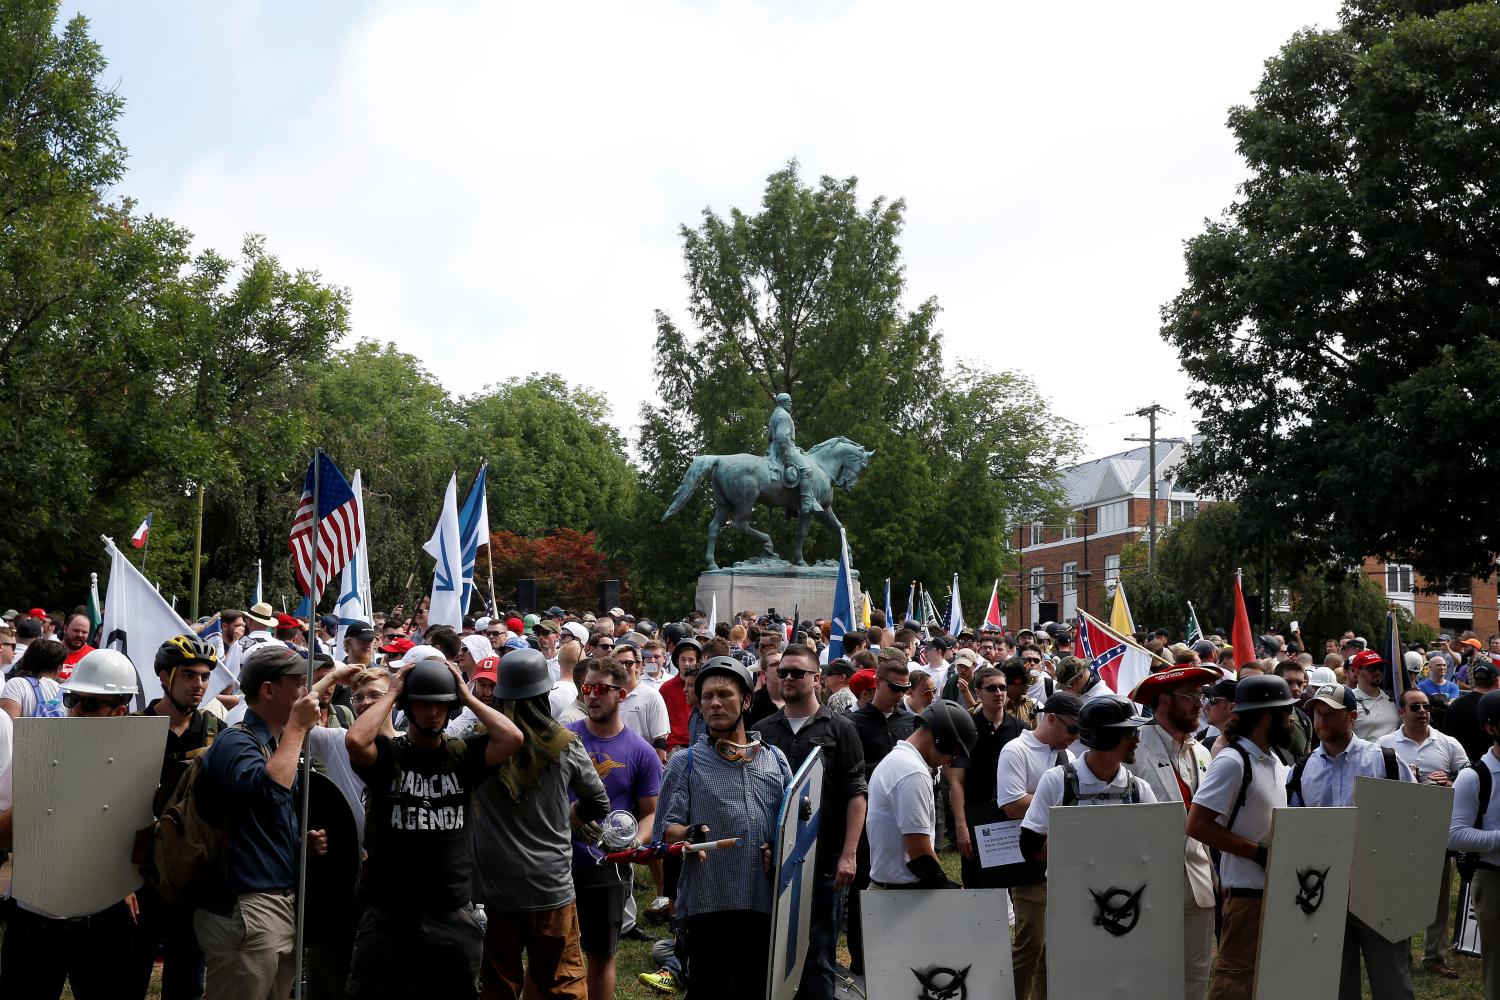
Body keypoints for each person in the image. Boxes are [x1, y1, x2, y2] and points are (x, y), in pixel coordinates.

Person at [344, 657, 523, 999]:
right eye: (423, 704)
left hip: (451, 909)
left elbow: (512, 737)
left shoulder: (464, 755)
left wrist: (467, 696)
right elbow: (355, 740)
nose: (433, 713)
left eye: (441, 705)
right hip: (389, 911)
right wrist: (392, 693)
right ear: (408, 708)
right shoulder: (387, 755)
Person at [0, 649, 140, 999]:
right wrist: (39, 797)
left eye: (90, 704)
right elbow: (1, 834)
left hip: (102, 918)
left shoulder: (136, 762)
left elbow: (133, 833)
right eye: (72, 698)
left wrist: (122, 882)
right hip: (36, 916)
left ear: (119, 711)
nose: (75, 709)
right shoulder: (35, 749)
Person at [471, 647, 610, 1000]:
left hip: (497, 891)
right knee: (564, 984)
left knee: (499, 985)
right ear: (543, 696)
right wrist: (567, 821)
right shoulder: (565, 745)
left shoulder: (478, 746)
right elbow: (597, 801)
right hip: (552, 888)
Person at [194, 643, 327, 1000]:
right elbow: (267, 794)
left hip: (273, 903)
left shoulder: (272, 744)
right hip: (246, 908)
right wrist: (297, 729)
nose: (307, 691)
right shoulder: (236, 741)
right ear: (268, 690)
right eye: (299, 683)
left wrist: (302, 845)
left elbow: (264, 818)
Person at [658, 656, 791, 1000]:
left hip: (762, 901)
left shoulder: (775, 760)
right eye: (707, 696)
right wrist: (686, 834)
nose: (715, 703)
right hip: (709, 902)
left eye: (725, 694)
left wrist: (779, 851)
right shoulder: (684, 763)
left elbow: (793, 829)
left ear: (746, 700)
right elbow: (665, 830)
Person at [751, 643, 867, 1000]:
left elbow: (856, 793)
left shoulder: (841, 728)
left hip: (826, 858)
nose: (787, 678)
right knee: (771, 954)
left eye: (797, 673)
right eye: (782, 671)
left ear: (816, 679)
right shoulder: (761, 731)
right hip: (772, 860)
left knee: (818, 955)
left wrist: (850, 854)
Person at [1287, 683, 1415, 999]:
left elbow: (1412, 818)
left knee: (1392, 981)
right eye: (1318, 714)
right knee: (1336, 982)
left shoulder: (1384, 761)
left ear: (1352, 717)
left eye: (1331, 714)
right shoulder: (1302, 771)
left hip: (1378, 886)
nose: (1322, 722)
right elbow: (1295, 830)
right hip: (1325, 889)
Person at [1187, 675, 1297, 1000]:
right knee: (1235, 986)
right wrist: (1258, 853)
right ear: (1267, 716)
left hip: (1274, 891)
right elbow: (1197, 824)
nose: (1291, 720)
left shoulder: (1275, 760)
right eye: (1287, 713)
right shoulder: (1233, 762)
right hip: (1246, 896)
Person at [130, 635, 223, 1000]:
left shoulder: (217, 730)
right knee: (130, 971)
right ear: (164, 676)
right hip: (140, 871)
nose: (198, 685)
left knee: (187, 979)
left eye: (204, 676)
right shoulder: (134, 726)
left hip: (192, 870)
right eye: (188, 675)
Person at [566, 658, 661, 1000]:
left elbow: (652, 814)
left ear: (621, 695)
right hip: (558, 862)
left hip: (607, 868)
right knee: (552, 953)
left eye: (601, 689)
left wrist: (633, 842)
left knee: (601, 957)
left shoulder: (642, 752)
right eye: (587, 688)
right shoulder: (564, 739)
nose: (592, 696)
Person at [1126, 665, 1220, 1000]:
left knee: (1196, 976)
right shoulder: (1133, 749)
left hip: (1199, 882)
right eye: (1192, 696)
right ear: (1163, 700)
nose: (1200, 704)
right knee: (1149, 975)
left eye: (1202, 695)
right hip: (1148, 884)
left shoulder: (1202, 752)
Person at [996, 691, 1082, 1000]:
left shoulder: (1068, 757)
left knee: (1056, 944)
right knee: (1030, 942)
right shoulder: (1016, 749)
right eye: (1072, 729)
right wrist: (1058, 801)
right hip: (1027, 857)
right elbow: (1011, 804)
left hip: (1061, 856)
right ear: (1050, 718)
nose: (1075, 738)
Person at [1378, 688, 1467, 979]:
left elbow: (1469, 782)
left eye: (1426, 706)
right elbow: (1374, 784)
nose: (1423, 711)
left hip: (1437, 831)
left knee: (1439, 897)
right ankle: (1399, 953)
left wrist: (1452, 782)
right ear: (1401, 712)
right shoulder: (1385, 744)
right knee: (1399, 894)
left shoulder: (1448, 744)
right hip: (1399, 830)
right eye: (1415, 707)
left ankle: (1435, 956)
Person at [846, 652, 917, 974]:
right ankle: (862, 962)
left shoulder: (910, 723)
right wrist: (889, 772)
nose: (900, 695)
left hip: (905, 822)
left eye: (905, 689)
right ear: (877, 684)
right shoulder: (852, 724)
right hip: (866, 823)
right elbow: (851, 774)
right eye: (894, 688)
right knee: (863, 893)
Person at [1018, 696, 1157, 861]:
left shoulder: (1139, 790)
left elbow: (1155, 847)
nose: (1137, 739)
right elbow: (1030, 848)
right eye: (1130, 732)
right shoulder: (1056, 781)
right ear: (1103, 737)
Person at [865, 700, 976, 893]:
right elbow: (919, 853)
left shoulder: (898, 760)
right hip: (902, 897)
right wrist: (947, 890)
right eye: (954, 752)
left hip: (895, 892)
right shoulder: (912, 773)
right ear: (942, 739)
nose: (951, 761)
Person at [949, 665, 1026, 888]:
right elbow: (956, 781)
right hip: (976, 813)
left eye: (1003, 687)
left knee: (1014, 880)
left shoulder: (1020, 729)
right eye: (991, 688)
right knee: (977, 883)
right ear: (978, 692)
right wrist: (961, 827)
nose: (999, 693)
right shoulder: (967, 729)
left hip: (1011, 815)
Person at [1449, 689, 1500, 999]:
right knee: (1497, 967)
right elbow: (1454, 835)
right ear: (1490, 728)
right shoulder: (1474, 777)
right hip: (1494, 879)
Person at [1349, 650, 1400, 740]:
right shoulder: (1349, 700)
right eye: (1371, 668)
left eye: (1380, 668)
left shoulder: (1393, 697)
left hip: (1395, 753)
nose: (1378, 672)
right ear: (1357, 672)